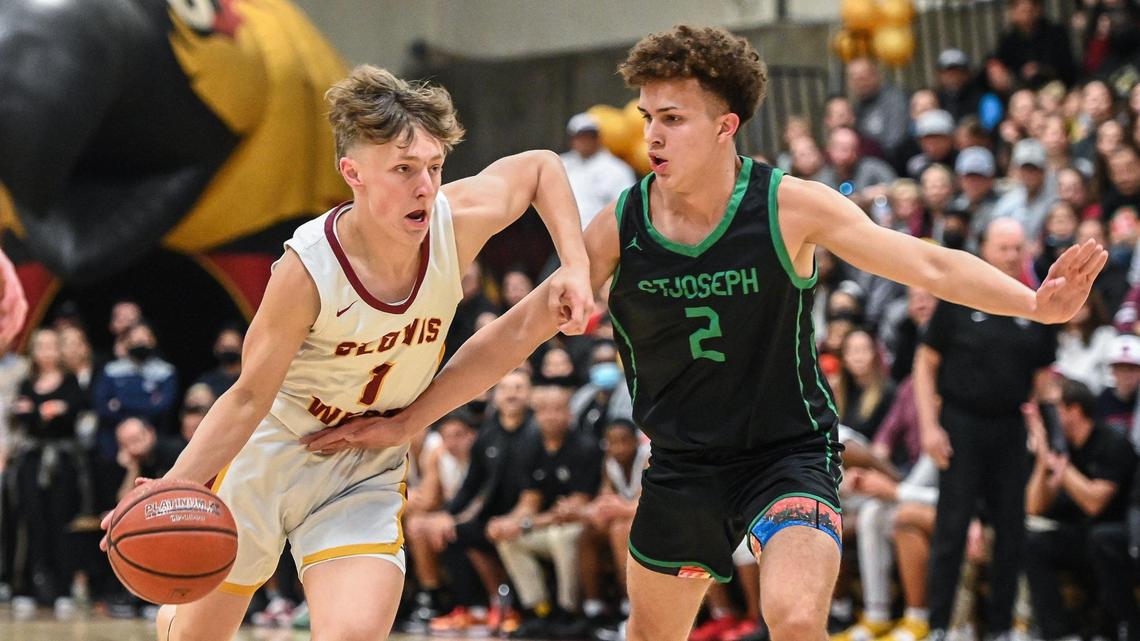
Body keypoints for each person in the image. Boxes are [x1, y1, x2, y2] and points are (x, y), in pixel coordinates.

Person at [306, 26, 1107, 641]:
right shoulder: (619, 225)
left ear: (726, 126)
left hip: (786, 453)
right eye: (648, 116)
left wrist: (1033, 303)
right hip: (682, 466)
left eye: (673, 118)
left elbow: (924, 262)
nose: (651, 134)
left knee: (794, 617)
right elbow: (516, 334)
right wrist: (415, 417)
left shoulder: (789, 205)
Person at [99, 64, 592, 641]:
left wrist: (575, 266)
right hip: (273, 450)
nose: (425, 186)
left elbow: (540, 168)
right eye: (403, 170)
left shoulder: (455, 225)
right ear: (352, 173)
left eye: (433, 167)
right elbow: (249, 394)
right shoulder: (306, 269)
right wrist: (171, 488)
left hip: (363, 464)